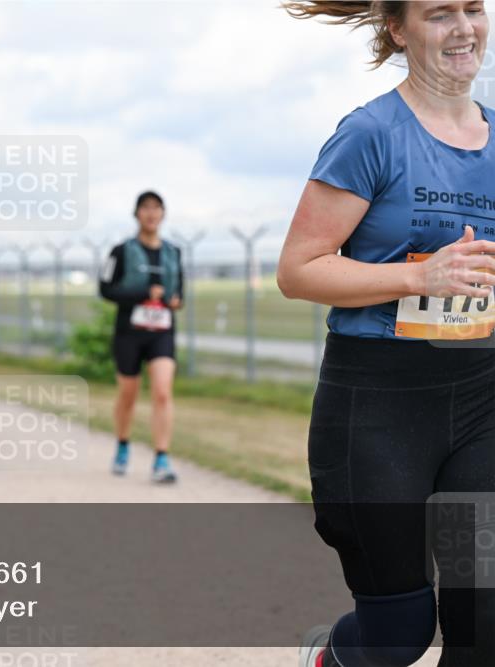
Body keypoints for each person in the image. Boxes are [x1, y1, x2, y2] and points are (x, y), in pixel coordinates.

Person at [279, 3, 494, 666]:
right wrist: (418, 276)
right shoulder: (371, 133)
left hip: (481, 398)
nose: (464, 27)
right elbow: (298, 269)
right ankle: (331, 658)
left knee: (481, 624)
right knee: (398, 632)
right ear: (398, 29)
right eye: (439, 13)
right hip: (377, 403)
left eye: (474, 8)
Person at [99, 191, 184, 484]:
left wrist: (175, 301)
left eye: (156, 208)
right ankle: (123, 444)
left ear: (163, 214)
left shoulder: (173, 252)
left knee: (162, 391)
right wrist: (143, 294)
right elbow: (106, 289)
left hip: (161, 332)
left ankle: (161, 457)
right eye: (145, 208)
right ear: (136, 214)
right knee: (129, 394)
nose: (151, 213)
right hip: (129, 334)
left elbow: (179, 292)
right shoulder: (120, 251)